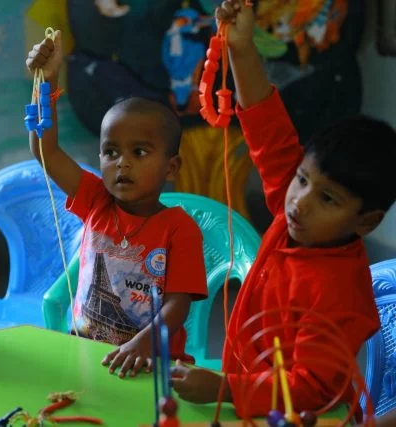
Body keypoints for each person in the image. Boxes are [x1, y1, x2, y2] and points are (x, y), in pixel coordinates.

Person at [171, 0, 396, 418]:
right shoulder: (293, 219)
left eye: (327, 199)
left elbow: (311, 390)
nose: (299, 203)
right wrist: (240, 49)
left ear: (366, 222)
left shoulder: (339, 290)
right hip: (249, 402)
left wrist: (226, 389)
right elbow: (267, 128)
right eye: (303, 180)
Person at [25, 31, 208, 378]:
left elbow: (177, 305)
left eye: (139, 152)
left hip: (152, 363)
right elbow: (44, 151)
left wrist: (142, 343)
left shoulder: (179, 229)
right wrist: (45, 81)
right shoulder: (96, 199)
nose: (122, 163)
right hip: (85, 356)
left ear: (171, 167)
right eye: (111, 152)